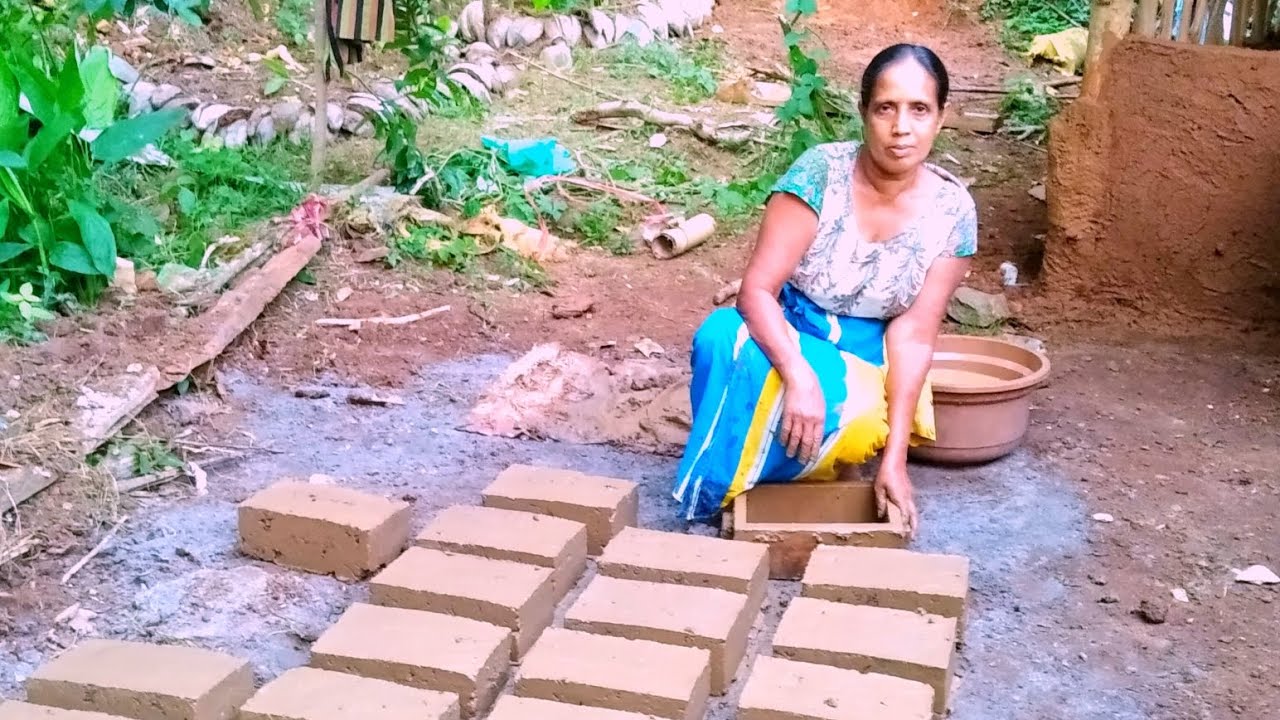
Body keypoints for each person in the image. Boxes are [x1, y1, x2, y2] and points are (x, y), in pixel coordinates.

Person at [671, 44, 976, 538]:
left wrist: (895, 461)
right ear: (863, 113)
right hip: (790, 328)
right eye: (886, 108)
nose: (901, 127)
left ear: (940, 118)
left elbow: (915, 336)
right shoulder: (821, 174)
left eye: (919, 109)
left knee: (859, 419)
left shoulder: (953, 213)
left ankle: (800, 463)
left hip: (865, 354)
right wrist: (799, 376)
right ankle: (740, 484)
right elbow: (757, 291)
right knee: (721, 341)